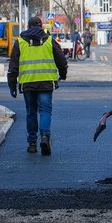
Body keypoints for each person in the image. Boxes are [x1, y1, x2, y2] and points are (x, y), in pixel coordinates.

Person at [7, 15, 68, 155]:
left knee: (31, 113)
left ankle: (32, 143)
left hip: (28, 83)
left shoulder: (20, 42)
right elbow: (61, 60)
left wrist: (12, 85)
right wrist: (63, 75)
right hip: (46, 83)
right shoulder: (49, 41)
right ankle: (45, 136)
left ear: (28, 27)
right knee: (45, 111)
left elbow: (13, 66)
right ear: (41, 26)